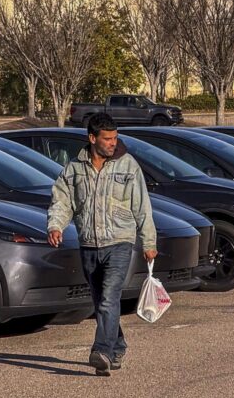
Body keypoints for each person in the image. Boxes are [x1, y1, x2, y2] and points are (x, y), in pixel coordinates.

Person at [47, 113, 156, 376]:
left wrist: (149, 241)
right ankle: (117, 346)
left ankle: (102, 351)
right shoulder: (74, 168)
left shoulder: (128, 165)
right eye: (107, 138)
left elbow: (142, 206)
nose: (112, 143)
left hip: (120, 242)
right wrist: (55, 226)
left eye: (115, 138)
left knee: (109, 299)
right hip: (88, 244)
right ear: (92, 138)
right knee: (101, 303)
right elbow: (62, 201)